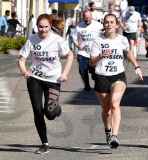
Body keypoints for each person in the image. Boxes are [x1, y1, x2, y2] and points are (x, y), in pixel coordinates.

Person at [18, 13, 74, 154]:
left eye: (46, 27)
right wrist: (25, 72)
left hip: (53, 80)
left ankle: (56, 108)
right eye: (40, 27)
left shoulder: (58, 40)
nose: (43, 30)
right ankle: (44, 144)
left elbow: (70, 56)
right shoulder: (32, 39)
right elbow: (21, 59)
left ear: (50, 27)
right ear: (37, 26)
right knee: (37, 111)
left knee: (50, 114)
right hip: (35, 79)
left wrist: (65, 74)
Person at [89, 14, 143, 148]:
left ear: (117, 25)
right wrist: (101, 56)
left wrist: (136, 66)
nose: (109, 25)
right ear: (103, 24)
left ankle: (114, 136)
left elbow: (128, 52)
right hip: (101, 76)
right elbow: (91, 62)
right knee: (106, 111)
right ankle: (108, 131)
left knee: (114, 105)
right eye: (106, 22)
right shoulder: (98, 40)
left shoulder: (123, 40)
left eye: (112, 22)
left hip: (118, 76)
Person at [72, 10, 103, 93]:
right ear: (83, 17)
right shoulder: (79, 27)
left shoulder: (98, 26)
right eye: (85, 18)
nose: (87, 20)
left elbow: (104, 37)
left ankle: (95, 79)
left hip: (95, 53)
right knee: (83, 71)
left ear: (92, 17)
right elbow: (74, 39)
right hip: (83, 52)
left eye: (89, 18)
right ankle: (87, 86)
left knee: (95, 72)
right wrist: (78, 45)